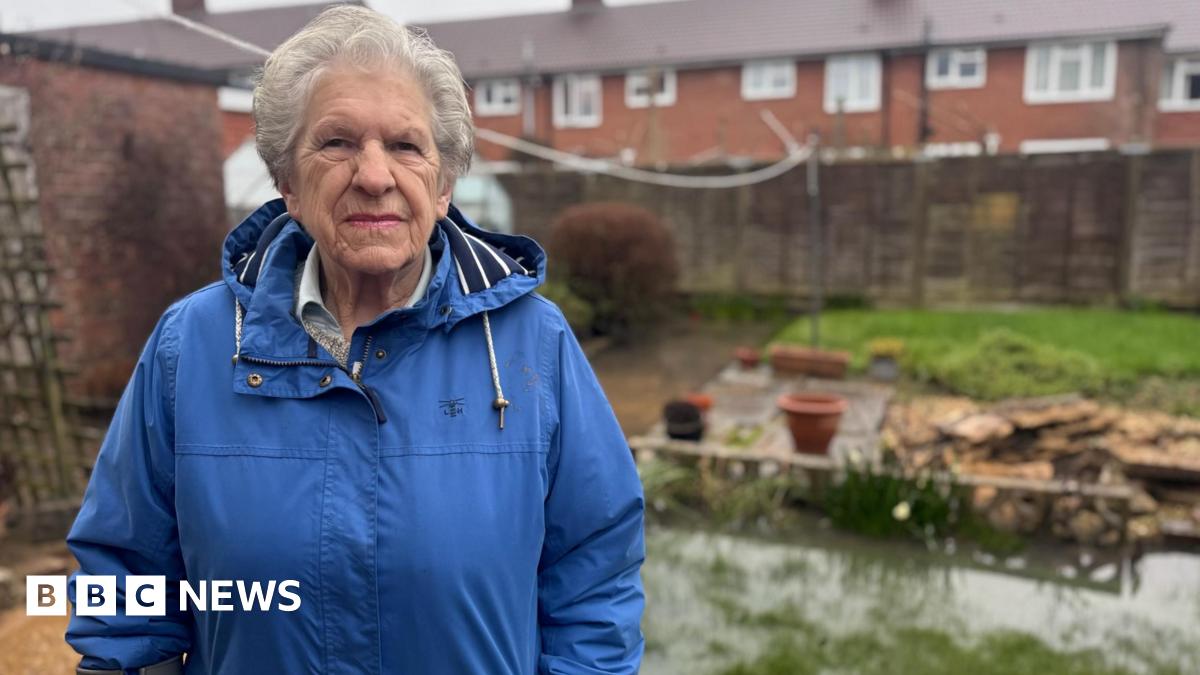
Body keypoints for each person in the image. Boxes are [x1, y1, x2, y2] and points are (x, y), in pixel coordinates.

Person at [64, 6, 645, 674]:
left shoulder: (529, 346)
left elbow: (595, 577)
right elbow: (125, 583)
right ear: (286, 181)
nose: (374, 175)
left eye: (405, 145)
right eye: (337, 142)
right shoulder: (189, 347)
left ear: (445, 181)